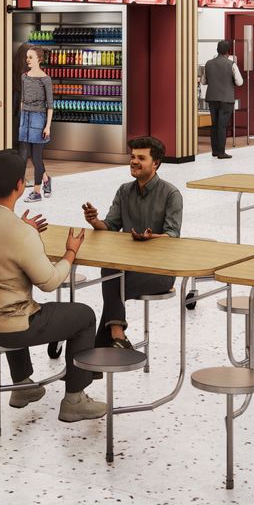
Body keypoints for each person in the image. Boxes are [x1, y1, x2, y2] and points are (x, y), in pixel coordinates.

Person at [0, 149, 106, 422]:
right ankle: (75, 399)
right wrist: (70, 253)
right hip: (7, 328)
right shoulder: (20, 232)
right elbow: (49, 281)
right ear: (19, 185)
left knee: (10, 304)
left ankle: (23, 386)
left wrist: (22, 228)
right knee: (83, 316)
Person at [81, 136, 181, 349]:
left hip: (160, 271)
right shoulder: (124, 191)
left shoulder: (171, 194)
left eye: (141, 158)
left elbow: (173, 237)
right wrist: (94, 221)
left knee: (112, 284)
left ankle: (109, 342)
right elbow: (109, 227)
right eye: (132, 157)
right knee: (111, 271)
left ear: (156, 163)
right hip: (128, 266)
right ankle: (116, 337)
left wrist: (151, 238)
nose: (134, 161)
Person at [15, 44, 55, 201]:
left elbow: (50, 105)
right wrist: (21, 119)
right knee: (30, 155)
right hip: (25, 117)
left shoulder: (46, 79)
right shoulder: (24, 76)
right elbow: (23, 99)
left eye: (30, 57)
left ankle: (37, 192)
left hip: (39, 118)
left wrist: (48, 126)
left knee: (37, 157)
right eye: (27, 57)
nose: (27, 60)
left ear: (39, 59)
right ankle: (46, 179)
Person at [203, 39, 244, 158]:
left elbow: (204, 81)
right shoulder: (231, 64)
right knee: (222, 125)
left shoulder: (208, 63)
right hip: (226, 99)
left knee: (214, 125)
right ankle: (221, 152)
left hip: (211, 98)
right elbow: (240, 82)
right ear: (228, 51)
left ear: (217, 49)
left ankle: (215, 151)